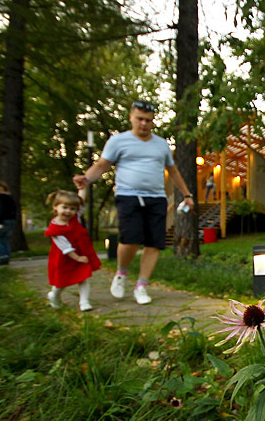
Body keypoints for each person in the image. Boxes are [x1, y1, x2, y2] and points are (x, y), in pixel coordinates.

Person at [73, 100, 194, 305]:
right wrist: (86, 179)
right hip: (128, 196)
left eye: (148, 120)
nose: (144, 124)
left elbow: (173, 171)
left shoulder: (161, 144)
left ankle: (142, 286)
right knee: (130, 239)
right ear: (131, 117)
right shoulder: (118, 141)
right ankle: (121, 274)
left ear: (152, 121)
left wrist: (187, 194)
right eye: (140, 119)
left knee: (153, 243)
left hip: (156, 198)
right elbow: (102, 165)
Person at [44, 190, 102, 311]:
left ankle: (84, 302)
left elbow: (81, 202)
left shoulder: (75, 218)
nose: (68, 211)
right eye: (64, 207)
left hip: (80, 253)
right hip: (64, 258)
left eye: (72, 209)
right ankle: (54, 296)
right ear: (55, 207)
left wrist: (82, 188)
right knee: (61, 282)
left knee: (83, 277)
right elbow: (65, 247)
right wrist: (77, 258)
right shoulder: (54, 229)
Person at [0, 181, 17, 265]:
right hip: (11, 220)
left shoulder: (1, 197)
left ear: (0, 188)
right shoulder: (10, 196)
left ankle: (3, 256)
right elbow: (14, 209)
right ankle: (6, 256)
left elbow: (1, 210)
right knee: (4, 238)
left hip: (3, 220)